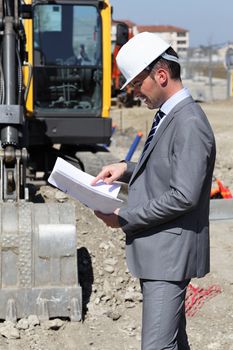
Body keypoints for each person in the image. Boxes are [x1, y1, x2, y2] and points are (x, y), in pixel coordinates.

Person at [91, 32, 216, 350]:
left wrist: (125, 216)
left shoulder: (187, 122)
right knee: (173, 342)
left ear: (160, 75)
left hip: (169, 256)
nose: (134, 93)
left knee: (157, 346)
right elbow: (166, 168)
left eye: (135, 84)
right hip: (161, 252)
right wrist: (126, 168)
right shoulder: (169, 116)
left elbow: (184, 194)